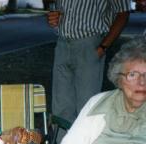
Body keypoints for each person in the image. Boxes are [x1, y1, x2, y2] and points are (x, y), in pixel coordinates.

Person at [47, 0, 131, 134]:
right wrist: (53, 17)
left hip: (89, 44)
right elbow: (55, 7)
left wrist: (103, 47)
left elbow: (123, 13)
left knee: (87, 107)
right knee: (61, 107)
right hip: (62, 44)